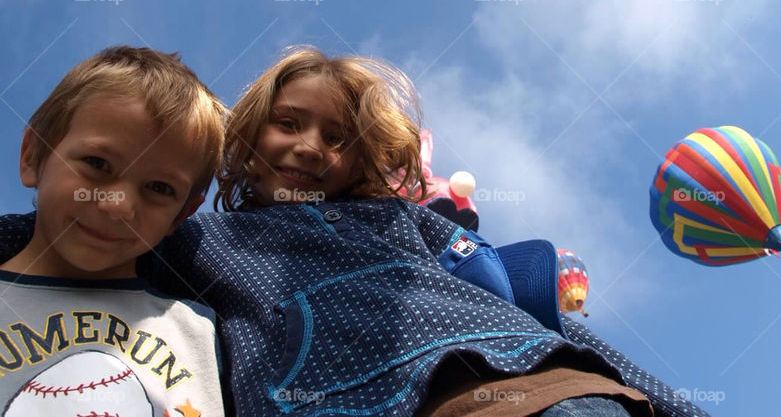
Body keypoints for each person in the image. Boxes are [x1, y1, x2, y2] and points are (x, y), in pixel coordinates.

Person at [0, 46, 710, 417]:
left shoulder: (398, 219)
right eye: (288, 124)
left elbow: (514, 308)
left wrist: (668, 401)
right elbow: (64, 236)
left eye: (337, 137)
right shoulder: (193, 240)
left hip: (519, 386)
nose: (310, 147)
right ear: (244, 144)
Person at [0, 46, 227, 417]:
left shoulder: (197, 331)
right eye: (97, 163)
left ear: (181, 216)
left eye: (159, 188)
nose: (118, 206)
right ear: (33, 157)